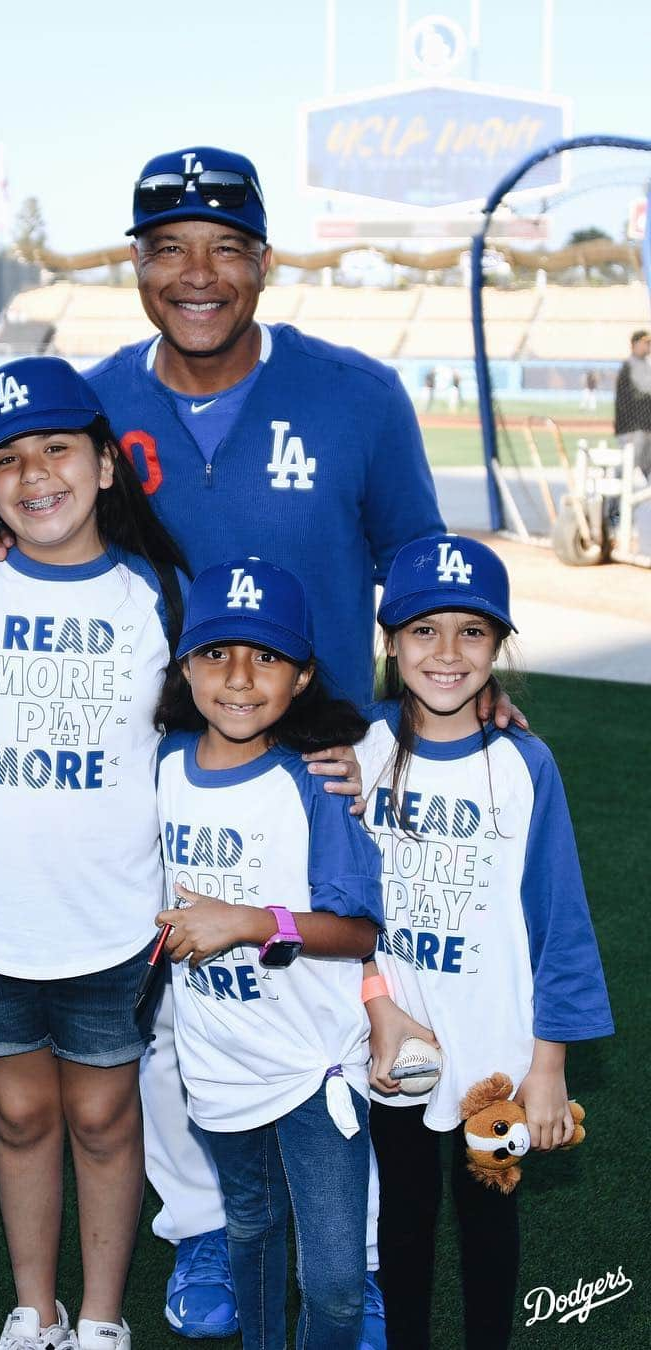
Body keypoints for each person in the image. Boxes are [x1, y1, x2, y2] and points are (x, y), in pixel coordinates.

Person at [86, 145, 445, 1341]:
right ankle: (201, 1233)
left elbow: (416, 565)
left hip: (322, 765)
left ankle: (363, 1255)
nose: (199, 273)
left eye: (226, 247)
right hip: (164, 764)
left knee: (341, 999)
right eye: (170, 246)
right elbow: (29, 519)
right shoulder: (96, 403)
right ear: (134, 263)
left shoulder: (357, 395)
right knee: (182, 995)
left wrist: (408, 725)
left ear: (264, 262)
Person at [0, 357, 190, 1350]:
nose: (34, 475)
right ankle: (36, 1309)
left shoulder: (162, 596)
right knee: (20, 1116)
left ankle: (100, 1318)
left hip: (114, 922)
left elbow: (213, 740)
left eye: (57, 448)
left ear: (106, 465)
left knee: (102, 1117)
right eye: (7, 460)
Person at [357, 533, 614, 1348]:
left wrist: (550, 1065)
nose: (446, 653)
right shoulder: (355, 751)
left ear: (499, 646)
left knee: (488, 1219)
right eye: (424, 630)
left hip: (499, 1056)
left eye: (472, 631)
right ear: (391, 642)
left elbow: (558, 921)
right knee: (401, 1214)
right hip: (398, 1040)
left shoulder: (524, 764)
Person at [153, 558, 384, 1350]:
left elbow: (358, 932)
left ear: (303, 675)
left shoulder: (315, 780)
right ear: (185, 666)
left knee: (337, 1286)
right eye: (216, 653)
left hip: (310, 1069)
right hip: (217, 1061)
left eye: (268, 657)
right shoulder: (165, 766)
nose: (241, 678)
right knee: (250, 1226)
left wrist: (249, 922)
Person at [614, 329, 651, 479]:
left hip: (643, 428)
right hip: (633, 430)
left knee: (646, 466)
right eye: (646, 343)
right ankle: (612, 500)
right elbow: (646, 387)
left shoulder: (644, 365)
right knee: (628, 465)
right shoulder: (632, 365)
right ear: (635, 344)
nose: (649, 346)